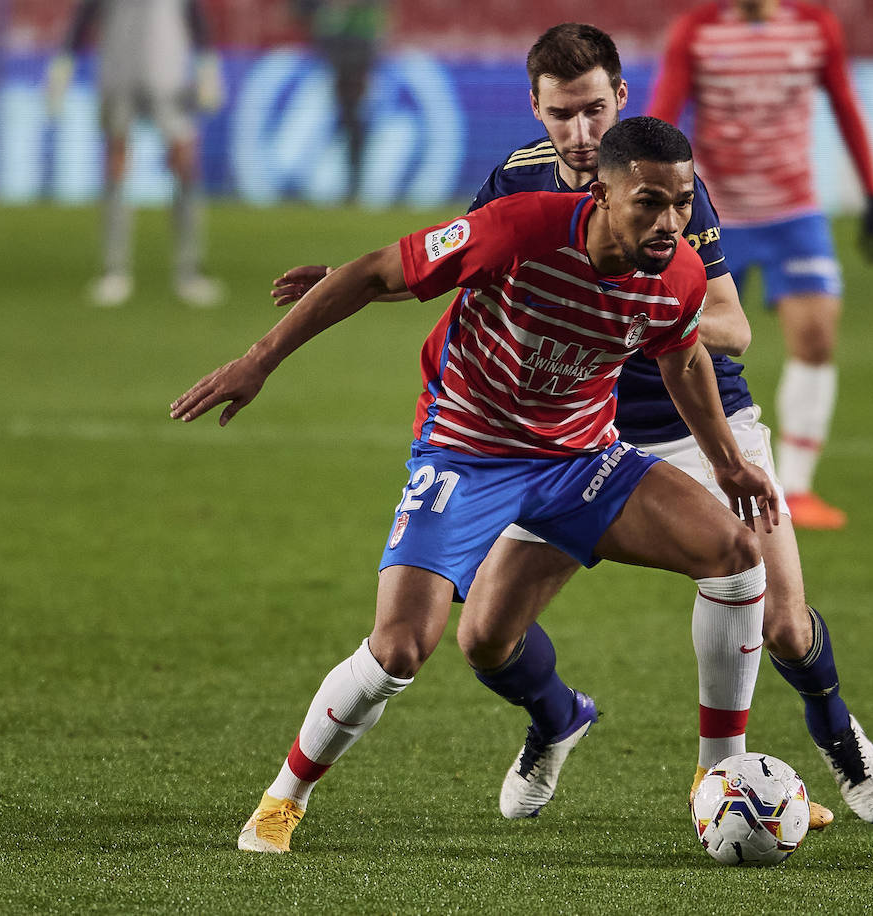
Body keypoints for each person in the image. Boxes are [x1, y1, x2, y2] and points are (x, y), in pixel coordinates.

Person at [272, 23, 873, 830]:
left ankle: (831, 733)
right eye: (562, 115)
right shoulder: (518, 184)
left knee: (778, 618)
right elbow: (464, 266)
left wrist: (626, 305)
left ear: (621, 100)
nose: (581, 134)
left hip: (698, 421)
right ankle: (556, 721)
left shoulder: (662, 187)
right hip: (571, 438)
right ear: (536, 108)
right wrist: (358, 286)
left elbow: (733, 327)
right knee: (486, 639)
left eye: (595, 111)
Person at [173, 117, 782, 854]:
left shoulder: (679, 275)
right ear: (601, 193)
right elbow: (374, 272)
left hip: (580, 458)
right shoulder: (518, 230)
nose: (670, 222)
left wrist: (725, 460)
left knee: (736, 554)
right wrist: (259, 360)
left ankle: (717, 781)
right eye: (649, 202)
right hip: (467, 451)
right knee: (400, 648)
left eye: (682, 203)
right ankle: (284, 798)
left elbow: (683, 362)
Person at [648, 0, 873, 531]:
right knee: (701, 340)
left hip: (793, 212)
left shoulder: (815, 27)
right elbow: (662, 117)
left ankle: (799, 488)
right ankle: (691, 459)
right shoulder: (697, 31)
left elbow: (845, 104)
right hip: (717, 215)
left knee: (817, 338)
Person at [46, 0, 225, 308]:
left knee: (184, 163)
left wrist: (207, 63)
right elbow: (86, 13)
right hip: (119, 71)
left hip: (169, 73)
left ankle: (190, 269)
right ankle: (114, 270)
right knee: (116, 163)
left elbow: (193, 13)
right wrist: (65, 62)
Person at [292, 0, 383, 201]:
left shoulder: (362, 26)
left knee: (351, 118)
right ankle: (347, 182)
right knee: (344, 118)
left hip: (356, 49)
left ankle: (354, 182)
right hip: (334, 50)